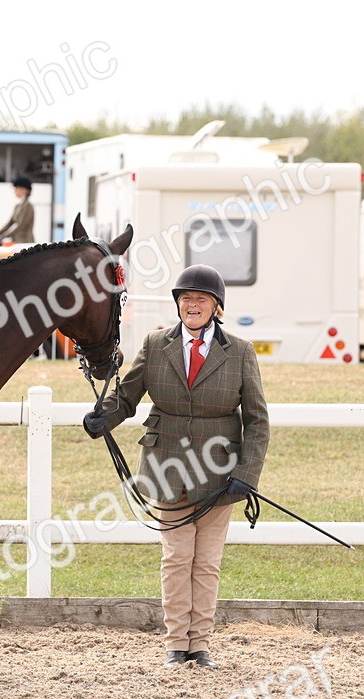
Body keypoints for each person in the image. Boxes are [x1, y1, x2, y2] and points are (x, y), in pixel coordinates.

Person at [83, 265, 270, 669]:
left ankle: (199, 644)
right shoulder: (155, 344)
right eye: (186, 298)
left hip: (219, 473)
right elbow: (128, 396)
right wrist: (104, 418)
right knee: (175, 556)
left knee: (206, 562)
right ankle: (175, 644)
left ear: (217, 306)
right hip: (167, 466)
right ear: (178, 305)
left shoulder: (239, 351)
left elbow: (257, 420)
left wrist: (246, 476)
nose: (193, 304)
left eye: (201, 299)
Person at [0, 175, 35, 244]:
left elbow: (20, 226)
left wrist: (3, 236)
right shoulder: (17, 206)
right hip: (16, 241)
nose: (15, 191)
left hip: (25, 242)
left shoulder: (28, 206)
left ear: (24, 190)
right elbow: (9, 223)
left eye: (17, 188)